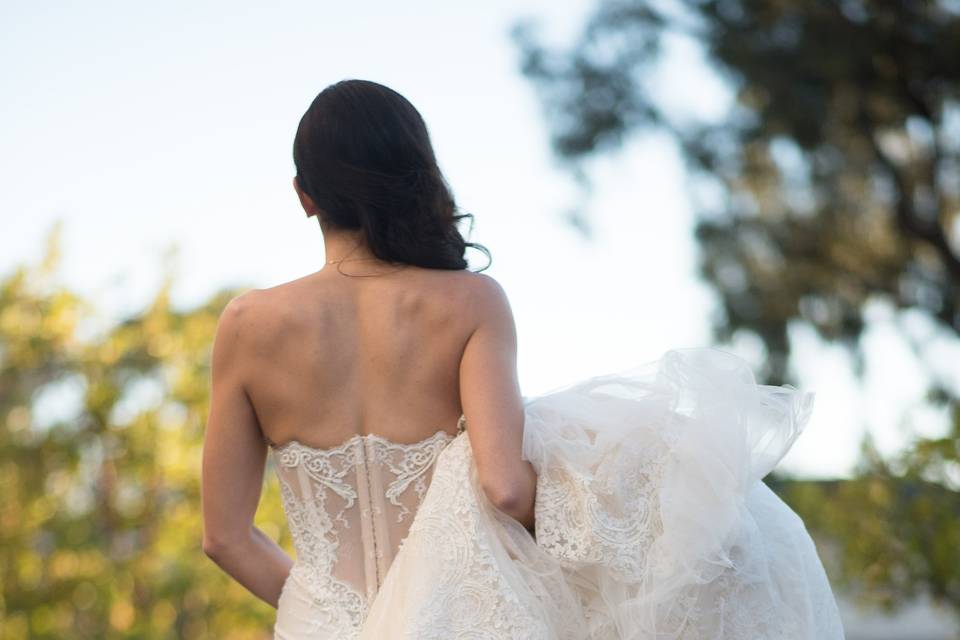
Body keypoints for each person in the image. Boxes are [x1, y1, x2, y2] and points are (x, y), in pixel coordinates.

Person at [201, 79, 845, 639]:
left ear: (304, 195)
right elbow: (505, 487)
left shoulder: (245, 325)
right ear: (416, 177)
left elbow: (225, 537)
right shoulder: (470, 303)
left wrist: (326, 612)